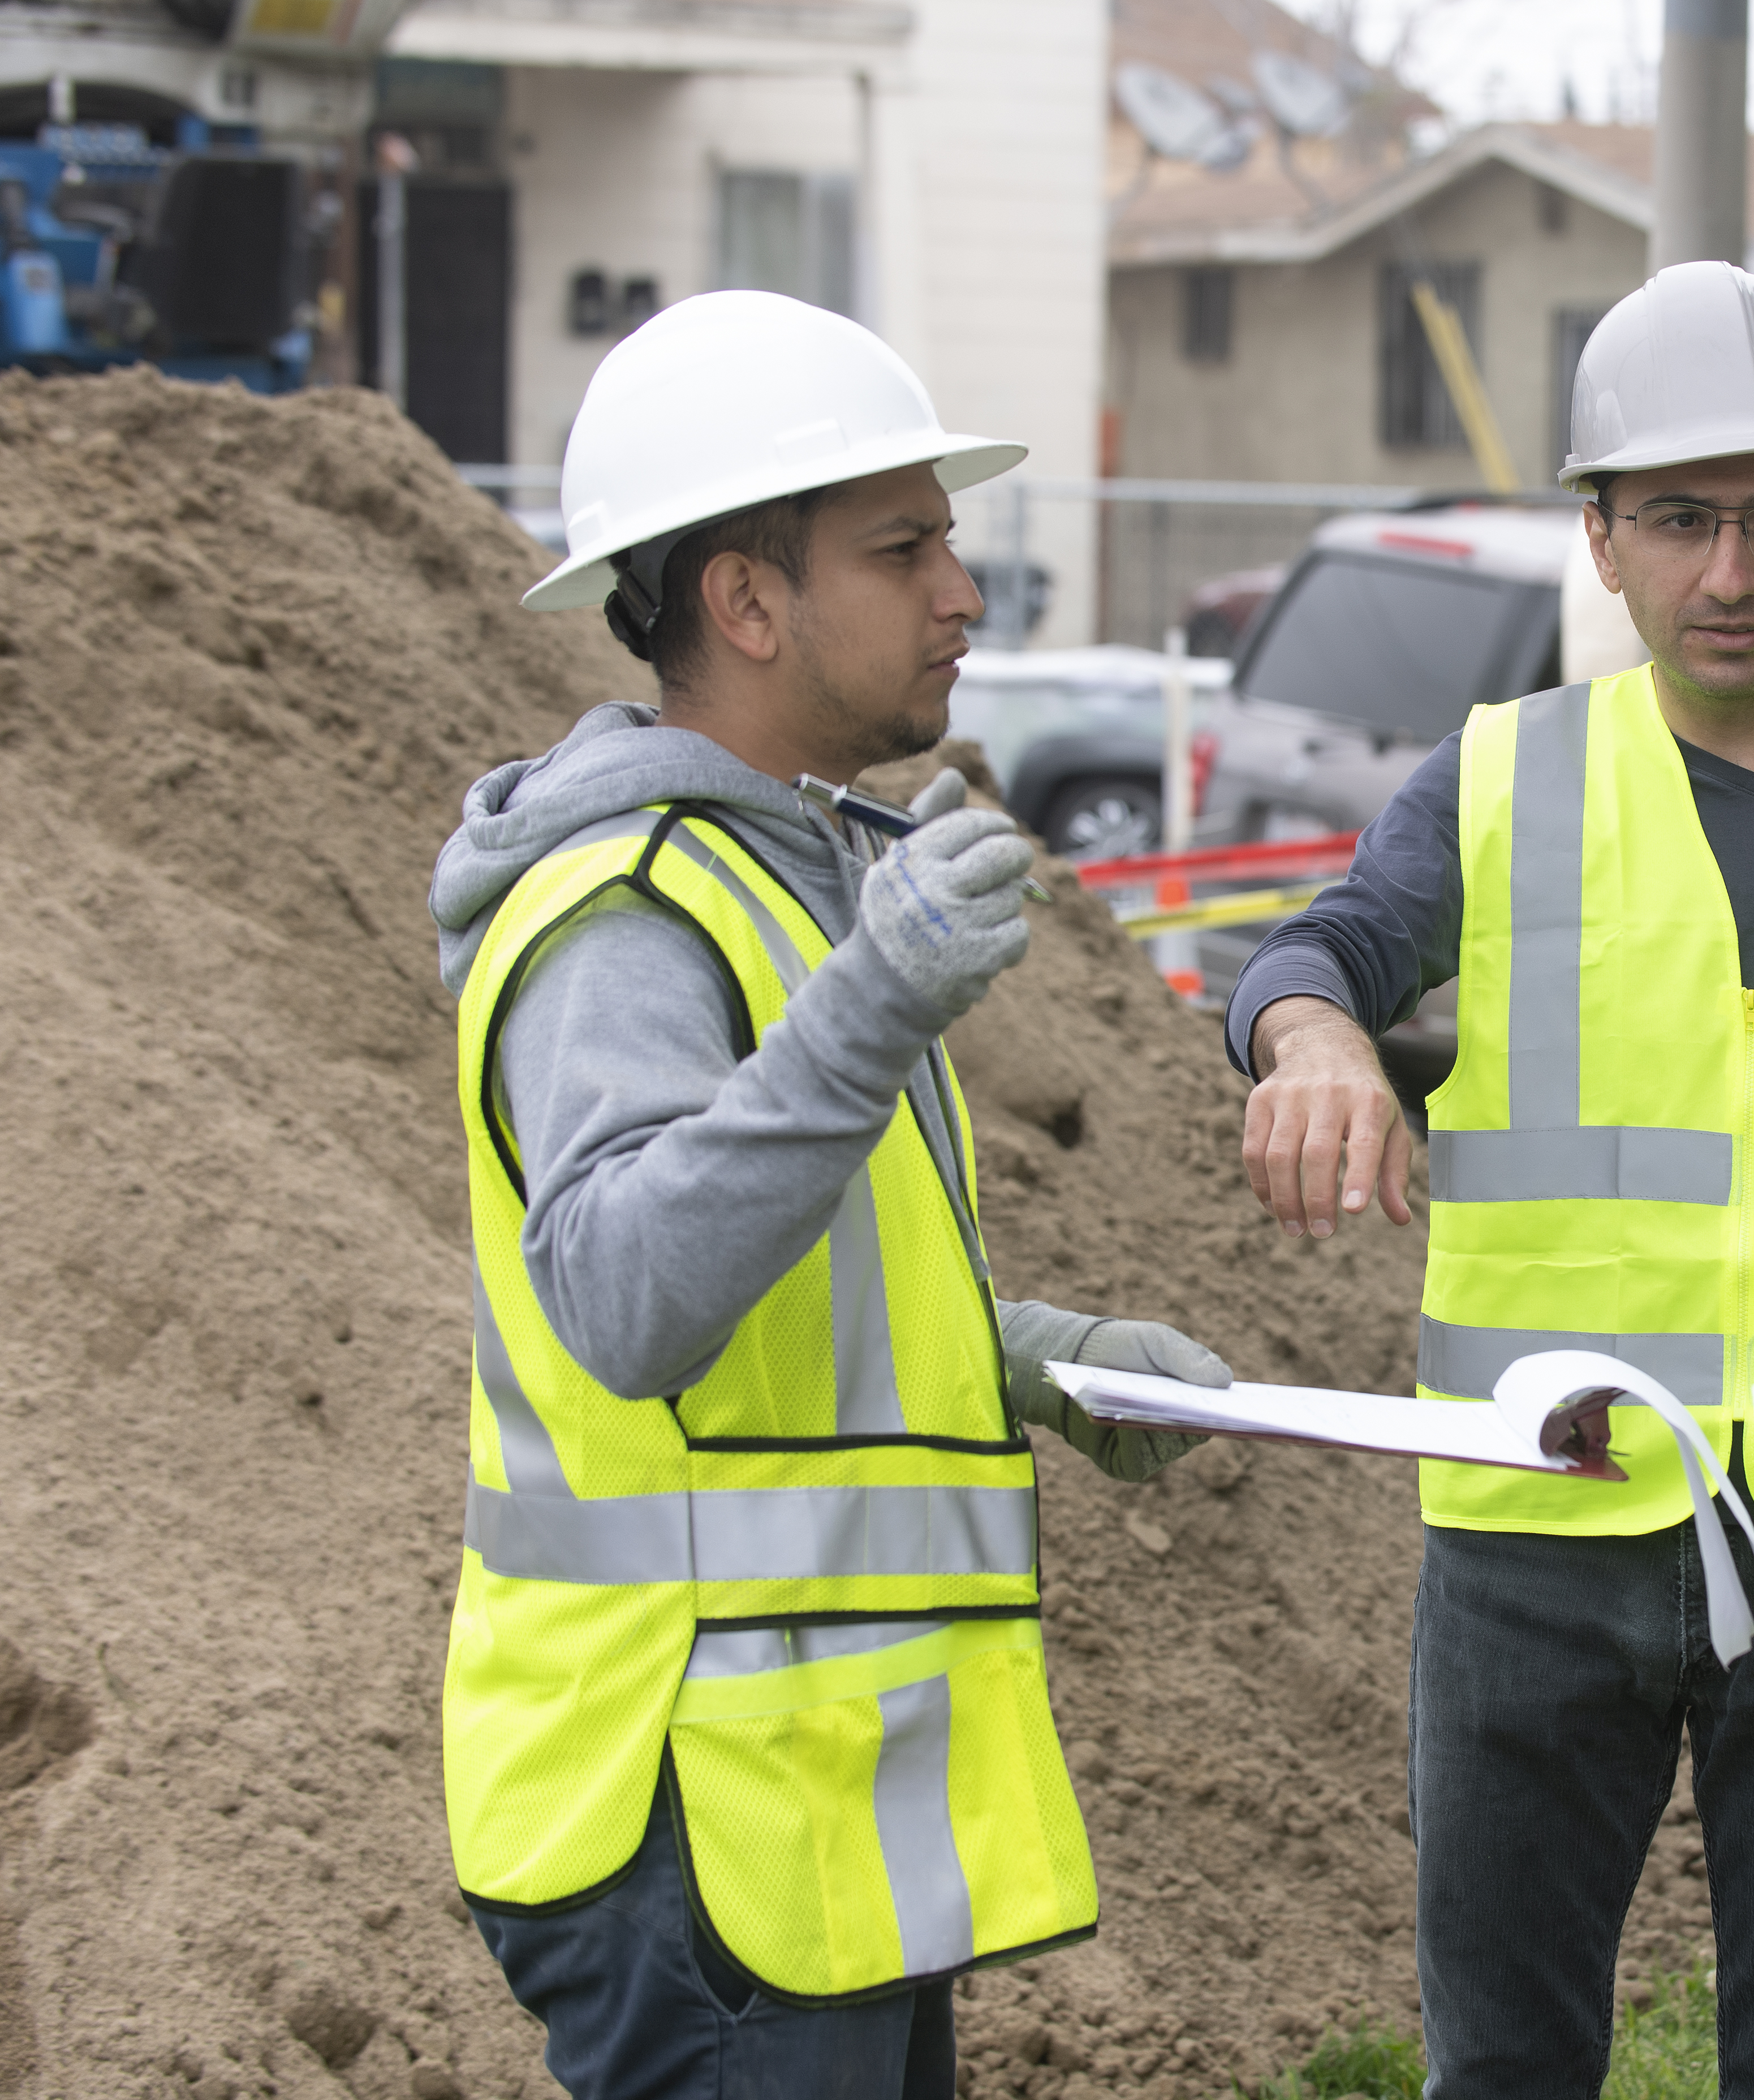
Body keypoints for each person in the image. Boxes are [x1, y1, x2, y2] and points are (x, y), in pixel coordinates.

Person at [1225, 261, 1754, 2098]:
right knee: (1507, 2065)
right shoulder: (1498, 780)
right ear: (1604, 540)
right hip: (1540, 1528)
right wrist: (1312, 1045)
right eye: (1684, 519)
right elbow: (1316, 958)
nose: (1732, 572)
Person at [428, 290, 1232, 2100]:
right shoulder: (627, 912)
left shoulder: (786, 877)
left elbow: (790, 1297)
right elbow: (624, 1296)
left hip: (796, 1813)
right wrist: (870, 1005)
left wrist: (1036, 1358)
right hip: (687, 1814)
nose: (963, 589)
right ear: (745, 598)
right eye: (906, 545)